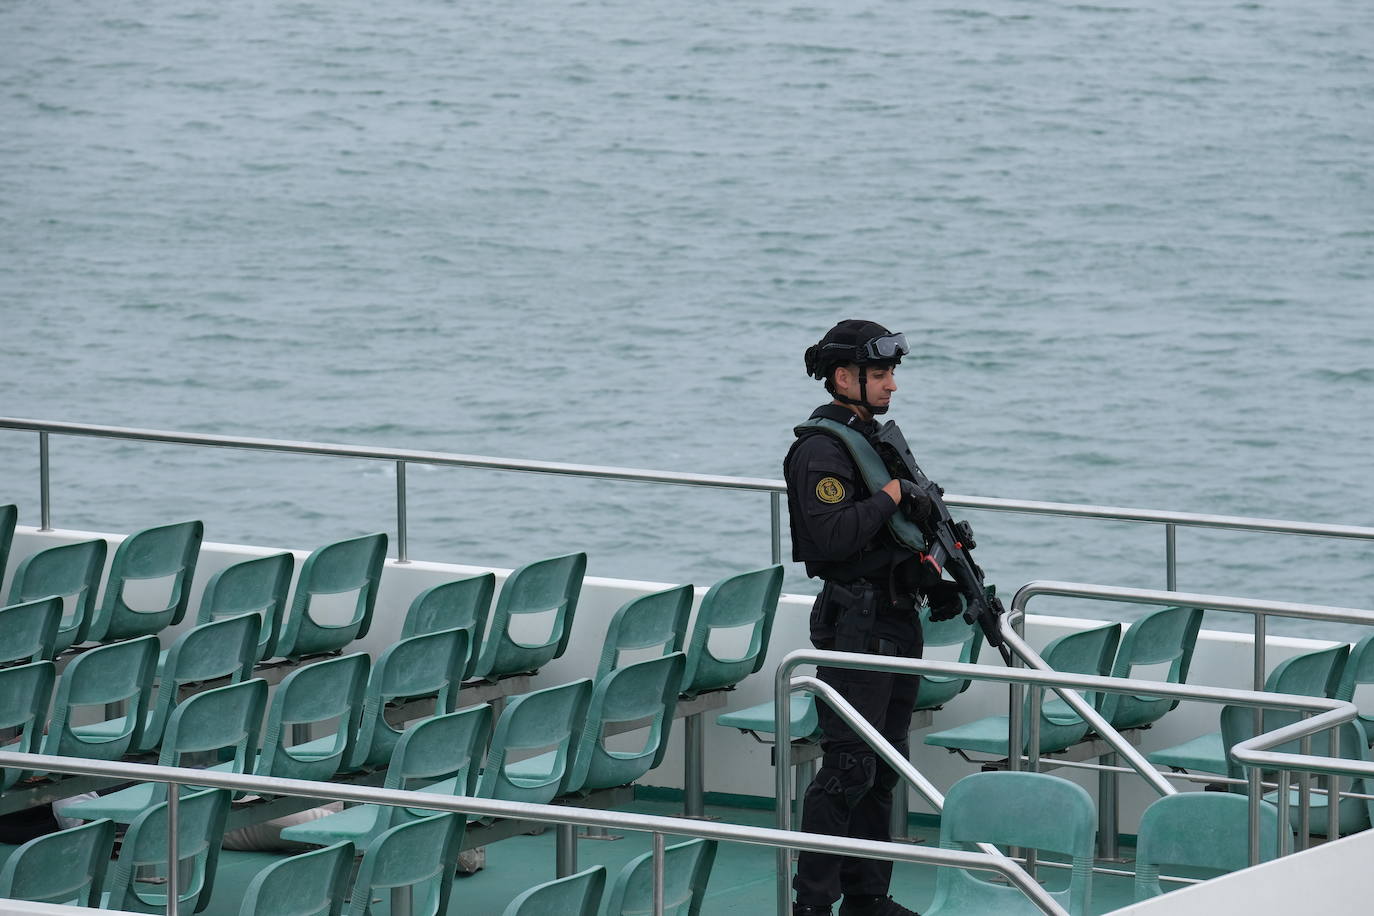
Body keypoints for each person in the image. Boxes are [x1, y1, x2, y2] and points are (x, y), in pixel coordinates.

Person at [784, 319, 962, 916]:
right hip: (855, 623)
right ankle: (813, 904)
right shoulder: (822, 450)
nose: (892, 386)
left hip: (891, 617)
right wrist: (892, 496)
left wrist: (924, 574)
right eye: (880, 373)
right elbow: (830, 540)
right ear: (844, 377)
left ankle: (866, 897)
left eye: (891, 373)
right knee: (847, 767)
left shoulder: (873, 442)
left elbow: (884, 539)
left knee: (885, 765)